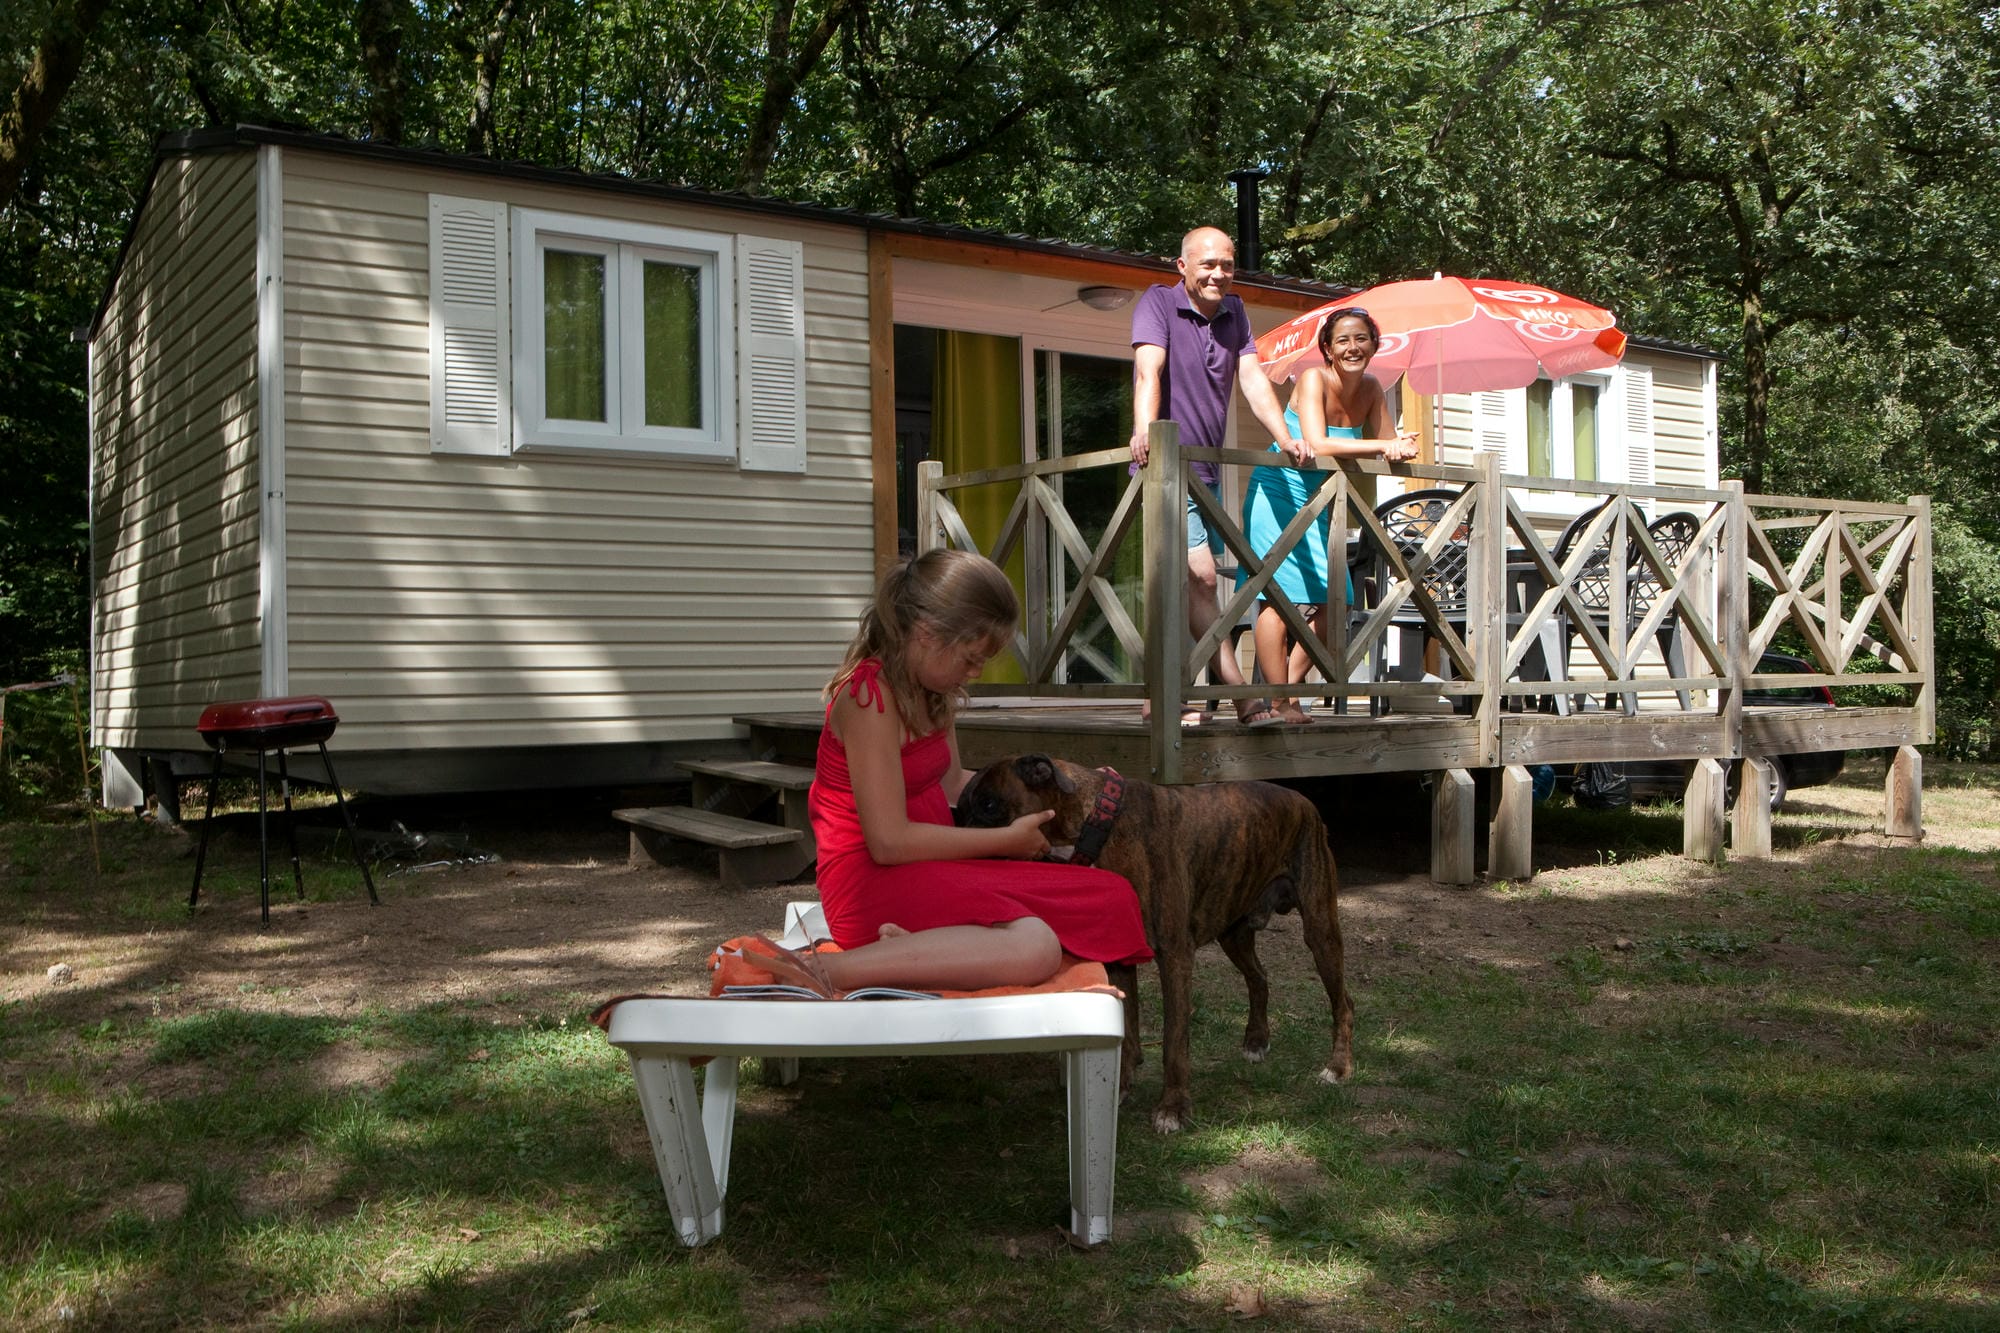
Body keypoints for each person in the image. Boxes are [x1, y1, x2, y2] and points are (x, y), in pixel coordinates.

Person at [758, 549, 1153, 995]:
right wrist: (1004, 842)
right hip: (869, 884)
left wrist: (1073, 790)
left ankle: (917, 951)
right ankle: (831, 971)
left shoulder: (931, 692)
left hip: (930, 866)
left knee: (1111, 892)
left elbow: (954, 785)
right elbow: (888, 842)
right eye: (970, 658)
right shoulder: (870, 700)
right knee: (1037, 946)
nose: (976, 672)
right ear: (926, 634)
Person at [1129, 226, 1312, 727]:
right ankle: (1242, 699)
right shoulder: (1158, 302)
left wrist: (1285, 437)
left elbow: (1251, 379)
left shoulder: (1236, 312)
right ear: (1182, 266)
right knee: (1202, 579)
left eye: (1227, 264)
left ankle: (1161, 698)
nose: (1218, 273)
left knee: (1185, 588)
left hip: (1206, 471)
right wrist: (1145, 432)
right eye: (1207, 264)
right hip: (1166, 468)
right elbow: (1149, 371)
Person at [1238, 306, 1418, 723]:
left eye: (1361, 339)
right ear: (1328, 349)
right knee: (1276, 598)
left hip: (1322, 500)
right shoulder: (1313, 378)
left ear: (1374, 344)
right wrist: (1382, 445)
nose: (1353, 347)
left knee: (1340, 602)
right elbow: (1317, 442)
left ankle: (1288, 693)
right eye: (1343, 341)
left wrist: (1400, 446)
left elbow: (1387, 442)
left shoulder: (1372, 388)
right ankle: (1281, 700)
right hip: (1278, 491)